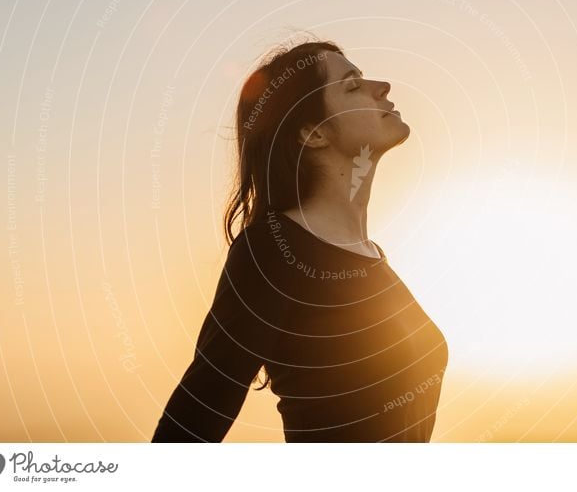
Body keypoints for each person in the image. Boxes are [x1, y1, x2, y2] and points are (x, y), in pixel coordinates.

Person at [151, 38, 448, 442]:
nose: (382, 87)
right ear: (313, 133)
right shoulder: (271, 253)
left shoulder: (370, 256)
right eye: (352, 86)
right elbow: (199, 410)